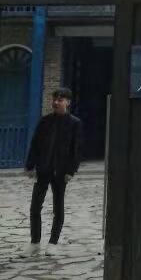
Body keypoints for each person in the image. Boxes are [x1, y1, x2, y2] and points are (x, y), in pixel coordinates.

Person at [24, 87, 82, 255]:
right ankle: (35, 242)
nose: (56, 103)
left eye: (60, 100)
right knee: (35, 207)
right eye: (54, 99)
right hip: (43, 169)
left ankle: (53, 243)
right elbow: (35, 144)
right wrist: (30, 165)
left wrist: (71, 171)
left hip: (60, 171)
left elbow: (76, 150)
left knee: (58, 207)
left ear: (68, 102)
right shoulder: (45, 121)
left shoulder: (74, 124)